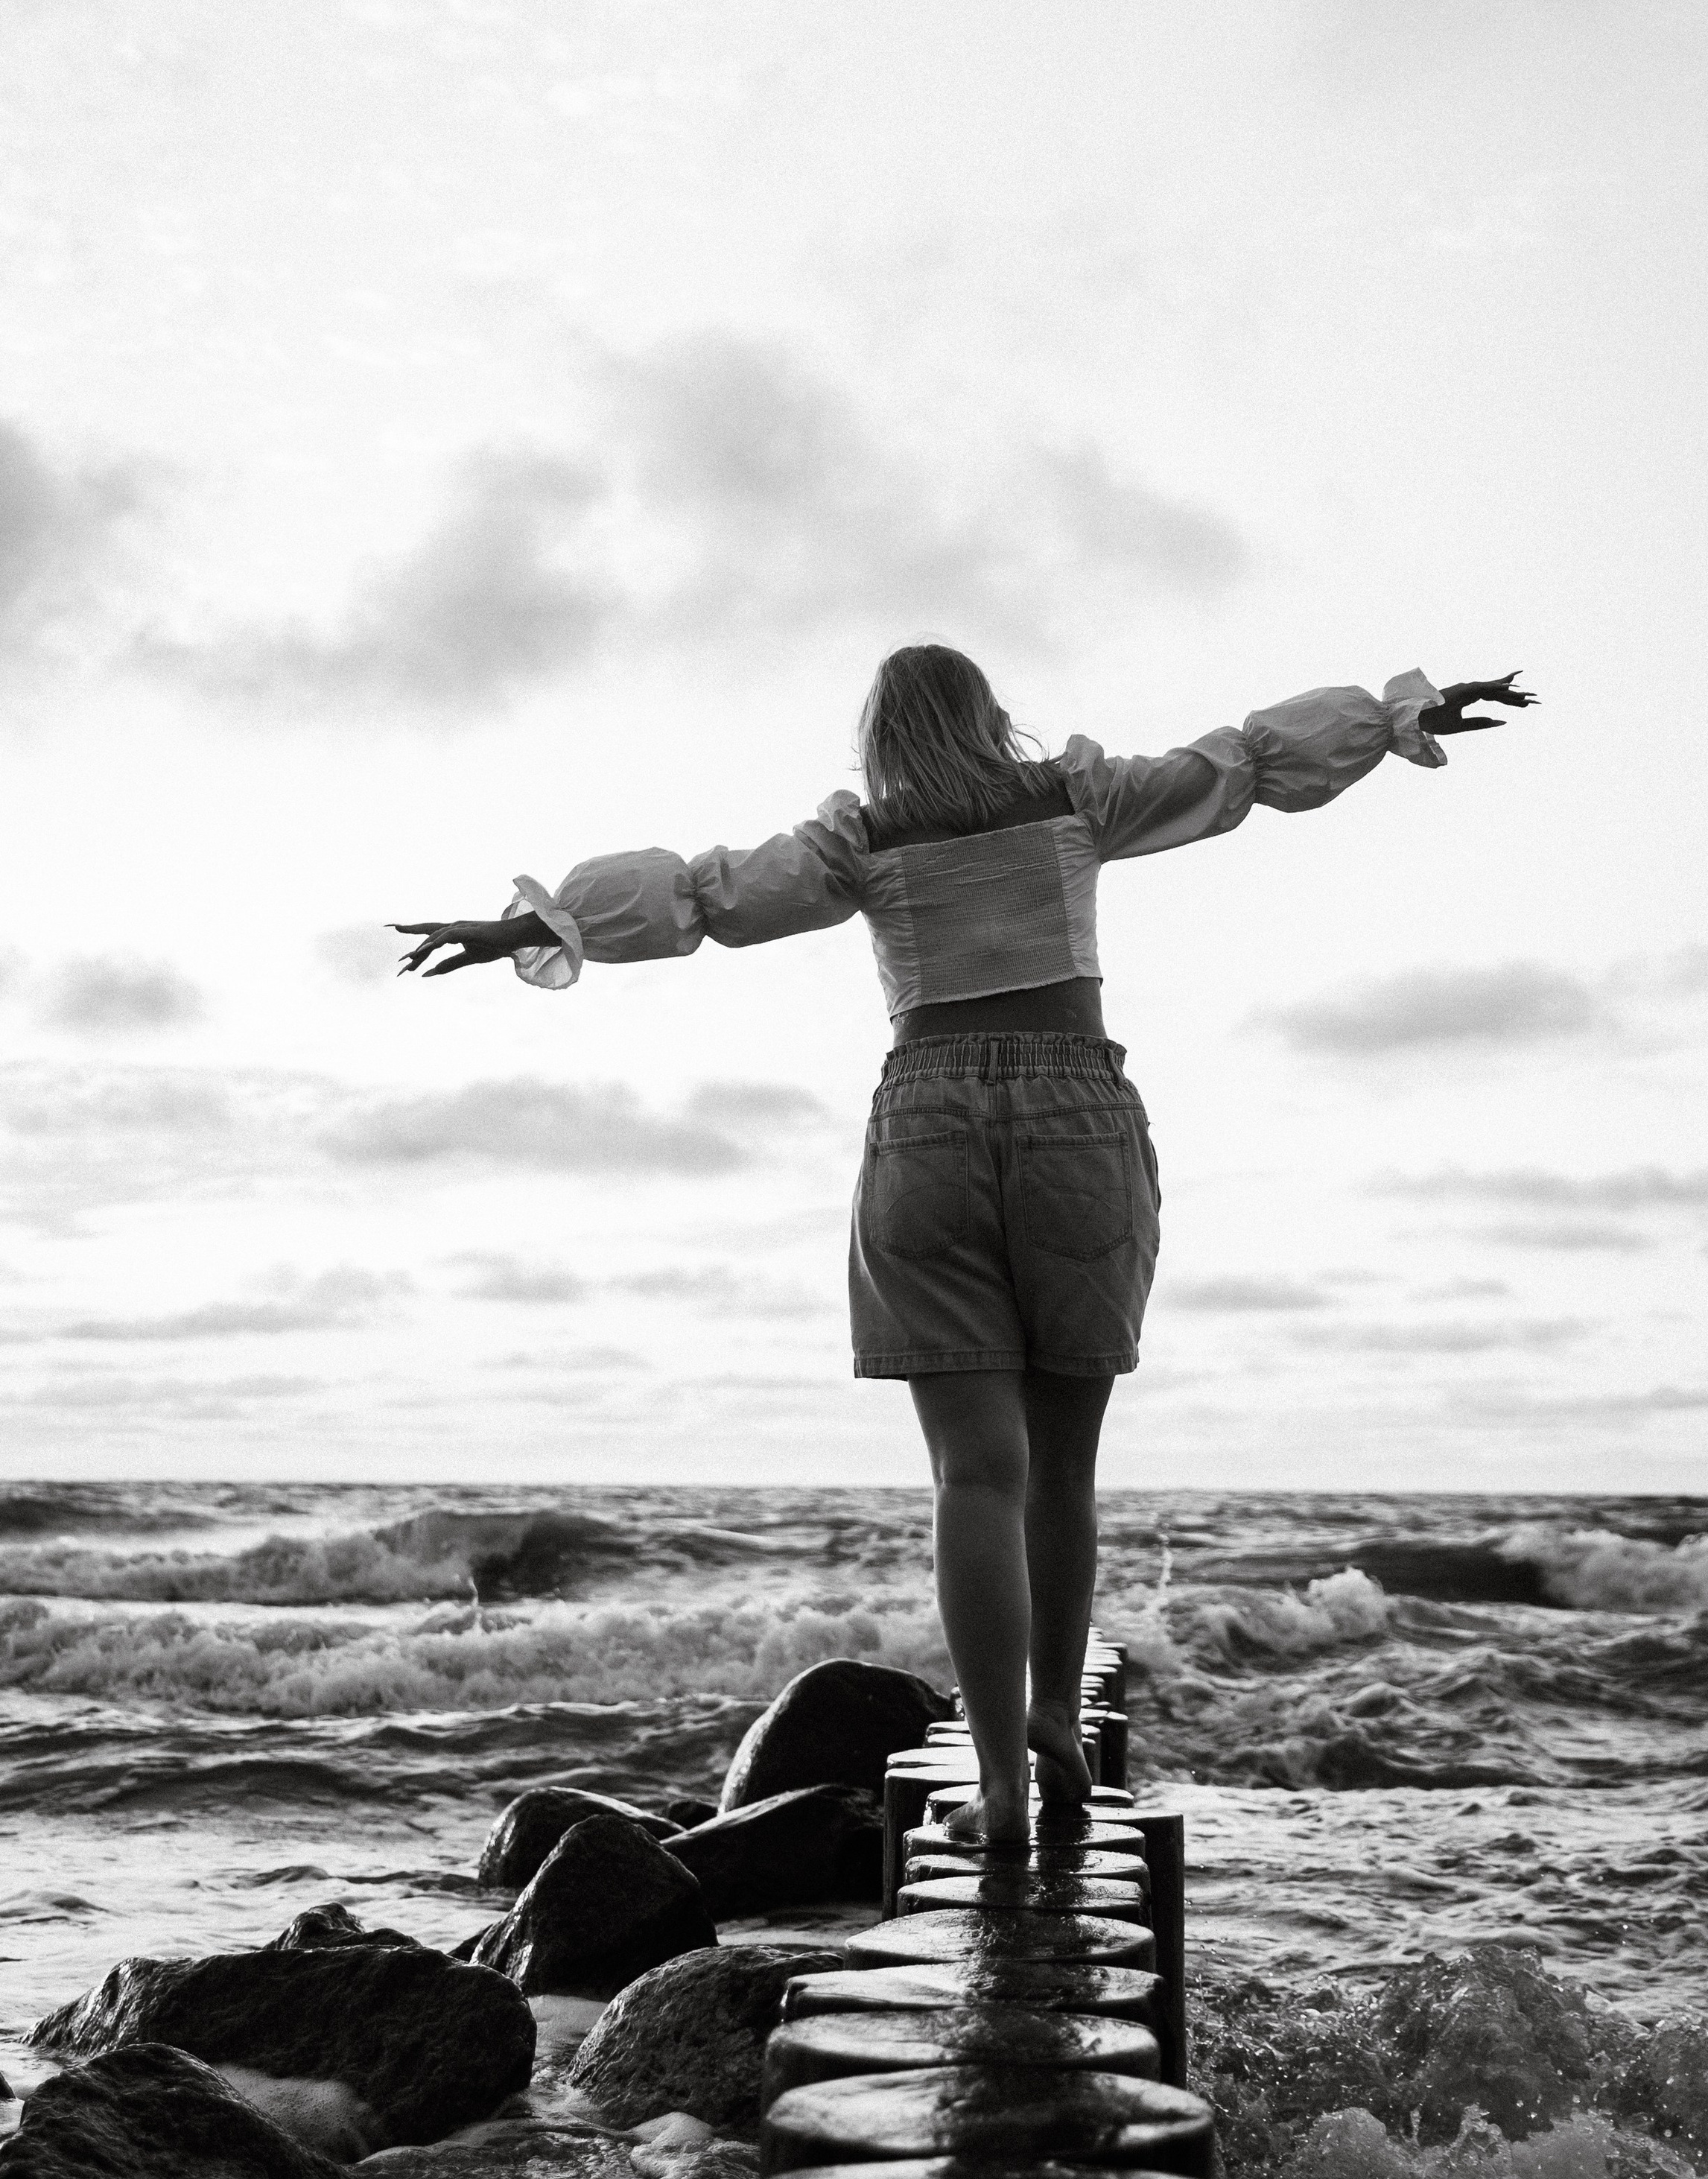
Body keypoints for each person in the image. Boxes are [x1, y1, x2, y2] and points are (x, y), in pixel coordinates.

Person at [397, 649, 1534, 1843]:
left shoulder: (859, 839)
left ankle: (997, 1785)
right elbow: (1243, 762)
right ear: (994, 718)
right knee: (1062, 1470)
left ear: (879, 738)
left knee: (974, 1477)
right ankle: (1055, 1717)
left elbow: (701, 895)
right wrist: (1403, 714)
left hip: (927, 1124)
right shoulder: (1078, 799)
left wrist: (533, 925)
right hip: (1076, 1117)